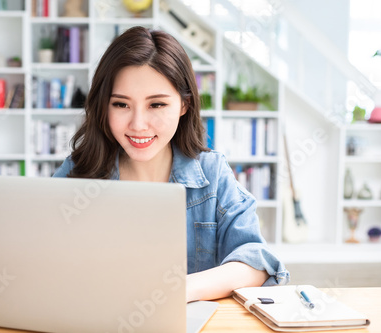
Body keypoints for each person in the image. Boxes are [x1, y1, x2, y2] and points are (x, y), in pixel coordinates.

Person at [53, 26, 290, 302]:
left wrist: (177, 291)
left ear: (183, 105)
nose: (138, 125)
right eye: (121, 104)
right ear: (104, 106)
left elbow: (256, 262)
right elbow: (39, 254)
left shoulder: (211, 174)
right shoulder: (77, 172)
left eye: (156, 105)